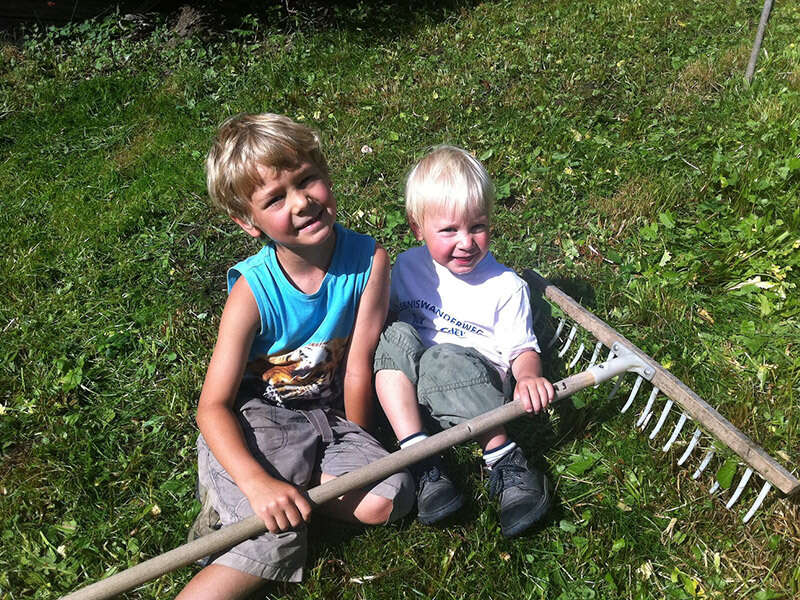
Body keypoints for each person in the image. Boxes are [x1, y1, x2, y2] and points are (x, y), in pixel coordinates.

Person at [178, 113, 414, 600]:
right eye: (275, 199)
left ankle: (277, 495)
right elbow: (212, 406)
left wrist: (358, 441)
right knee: (277, 541)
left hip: (327, 419)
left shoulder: (369, 261)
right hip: (259, 423)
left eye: (307, 179)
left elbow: (358, 363)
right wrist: (256, 482)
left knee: (390, 495)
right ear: (248, 222)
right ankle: (244, 507)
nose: (302, 202)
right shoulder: (252, 292)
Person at [373, 145, 555, 538]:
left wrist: (528, 376)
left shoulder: (505, 287)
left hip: (473, 388)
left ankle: (503, 457)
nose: (466, 242)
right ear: (417, 228)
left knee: (441, 358)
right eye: (449, 230)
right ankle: (419, 455)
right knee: (394, 336)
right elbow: (388, 320)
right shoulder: (407, 266)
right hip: (414, 395)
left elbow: (522, 348)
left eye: (477, 227)